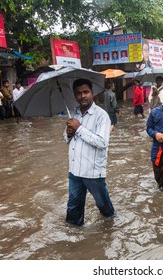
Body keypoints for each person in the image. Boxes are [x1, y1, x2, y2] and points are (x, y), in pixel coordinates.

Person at [63, 78, 115, 226]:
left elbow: (102, 142)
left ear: (92, 93)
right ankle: (73, 238)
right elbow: (66, 139)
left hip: (93, 172)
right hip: (74, 171)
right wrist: (68, 132)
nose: (83, 96)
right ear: (75, 95)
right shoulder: (73, 114)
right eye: (79, 93)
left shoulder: (101, 115)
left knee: (103, 205)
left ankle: (111, 224)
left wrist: (79, 128)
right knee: (73, 207)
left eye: (86, 92)